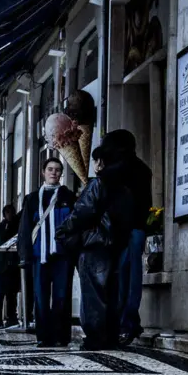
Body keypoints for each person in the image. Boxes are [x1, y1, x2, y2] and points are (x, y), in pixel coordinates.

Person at [56, 131, 136, 351]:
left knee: (93, 293)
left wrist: (63, 231)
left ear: (103, 160)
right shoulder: (127, 184)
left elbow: (83, 212)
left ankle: (95, 337)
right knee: (111, 292)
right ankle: (110, 336)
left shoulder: (100, 184)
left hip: (94, 244)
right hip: (117, 244)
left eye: (97, 160)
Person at [19, 158, 77, 346]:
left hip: (62, 255)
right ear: (43, 172)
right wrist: (25, 255)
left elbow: (75, 225)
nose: (54, 172)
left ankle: (61, 336)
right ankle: (44, 336)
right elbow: (25, 228)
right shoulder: (32, 198)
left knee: (62, 296)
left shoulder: (68, 196)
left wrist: (72, 250)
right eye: (50, 169)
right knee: (41, 297)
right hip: (39, 255)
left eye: (58, 170)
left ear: (61, 174)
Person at [117, 133, 153, 346]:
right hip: (136, 229)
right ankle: (130, 322)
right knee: (130, 278)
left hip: (128, 230)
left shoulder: (123, 170)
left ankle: (127, 323)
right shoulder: (142, 168)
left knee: (126, 279)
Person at [0, 204, 21, 328]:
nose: (10, 215)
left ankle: (12, 318)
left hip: (13, 267)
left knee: (12, 294)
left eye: (12, 212)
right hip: (0, 268)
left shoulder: (17, 227)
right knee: (0, 294)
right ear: (4, 214)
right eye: (7, 213)